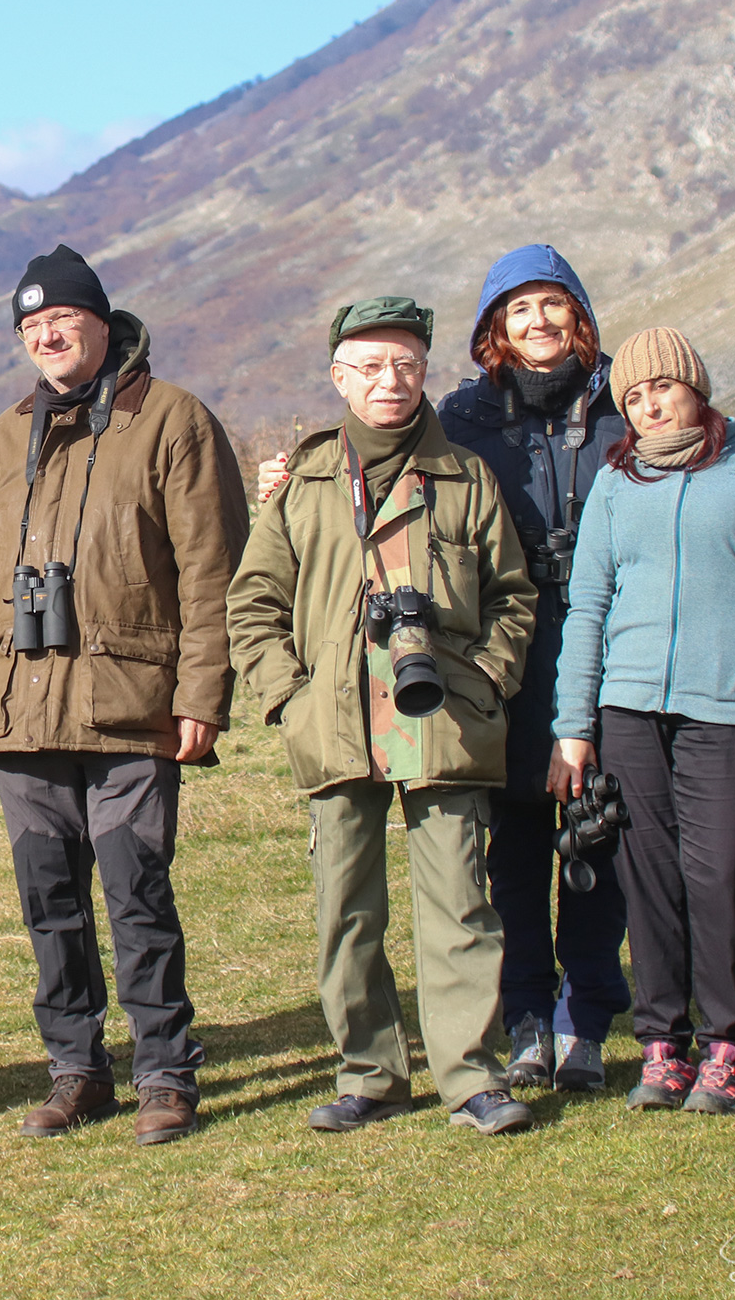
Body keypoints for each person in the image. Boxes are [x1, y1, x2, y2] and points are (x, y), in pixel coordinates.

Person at [255, 245, 735, 1094]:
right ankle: (525, 1011)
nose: (538, 323)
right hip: (498, 639)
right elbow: (380, 458)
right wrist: (286, 474)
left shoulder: (622, 410)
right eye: (518, 310)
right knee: (513, 833)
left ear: (581, 316)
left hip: (609, 641)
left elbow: (708, 459)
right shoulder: (464, 417)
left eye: (553, 306)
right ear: (494, 328)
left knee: (605, 826)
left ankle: (589, 1013)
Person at [0, 245, 248, 1147]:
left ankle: (164, 1073)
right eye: (31, 326)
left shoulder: (172, 422)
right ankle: (76, 1070)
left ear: (103, 325)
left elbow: (210, 571)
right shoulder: (4, 439)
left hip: (132, 707)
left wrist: (203, 694)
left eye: (62, 319)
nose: (47, 335)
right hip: (21, 710)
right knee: (49, 901)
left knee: (136, 892)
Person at [227, 297, 538, 1136]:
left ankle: (471, 1077)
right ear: (338, 378)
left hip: (443, 719)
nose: (388, 380)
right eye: (368, 366)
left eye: (403, 364)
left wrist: (485, 681)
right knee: (346, 909)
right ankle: (368, 1073)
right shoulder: (305, 480)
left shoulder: (467, 478)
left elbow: (514, 598)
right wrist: (287, 698)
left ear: (424, 371)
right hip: (333, 724)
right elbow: (253, 600)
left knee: (460, 905)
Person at [551, 327, 735, 1116]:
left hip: (732, 710)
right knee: (651, 884)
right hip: (629, 709)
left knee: (723, 880)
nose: (650, 406)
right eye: (633, 398)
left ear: (695, 385)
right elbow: (589, 605)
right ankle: (662, 1046)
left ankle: (725, 1046)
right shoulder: (615, 483)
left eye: (662, 388)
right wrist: (575, 723)